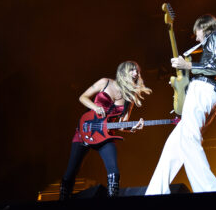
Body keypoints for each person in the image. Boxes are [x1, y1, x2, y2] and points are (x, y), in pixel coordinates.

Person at [145, 14, 216, 195]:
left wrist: (188, 66)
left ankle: (209, 190)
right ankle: (155, 192)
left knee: (189, 140)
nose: (197, 37)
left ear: (203, 27)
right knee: (174, 146)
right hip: (207, 92)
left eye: (197, 32)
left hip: (203, 90)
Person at [60, 61, 152, 200]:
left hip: (105, 135)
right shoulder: (105, 82)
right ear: (123, 72)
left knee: (114, 173)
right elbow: (82, 97)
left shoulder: (130, 98)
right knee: (71, 172)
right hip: (86, 129)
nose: (136, 74)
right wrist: (95, 107)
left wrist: (132, 128)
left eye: (137, 71)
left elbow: (122, 124)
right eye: (132, 70)